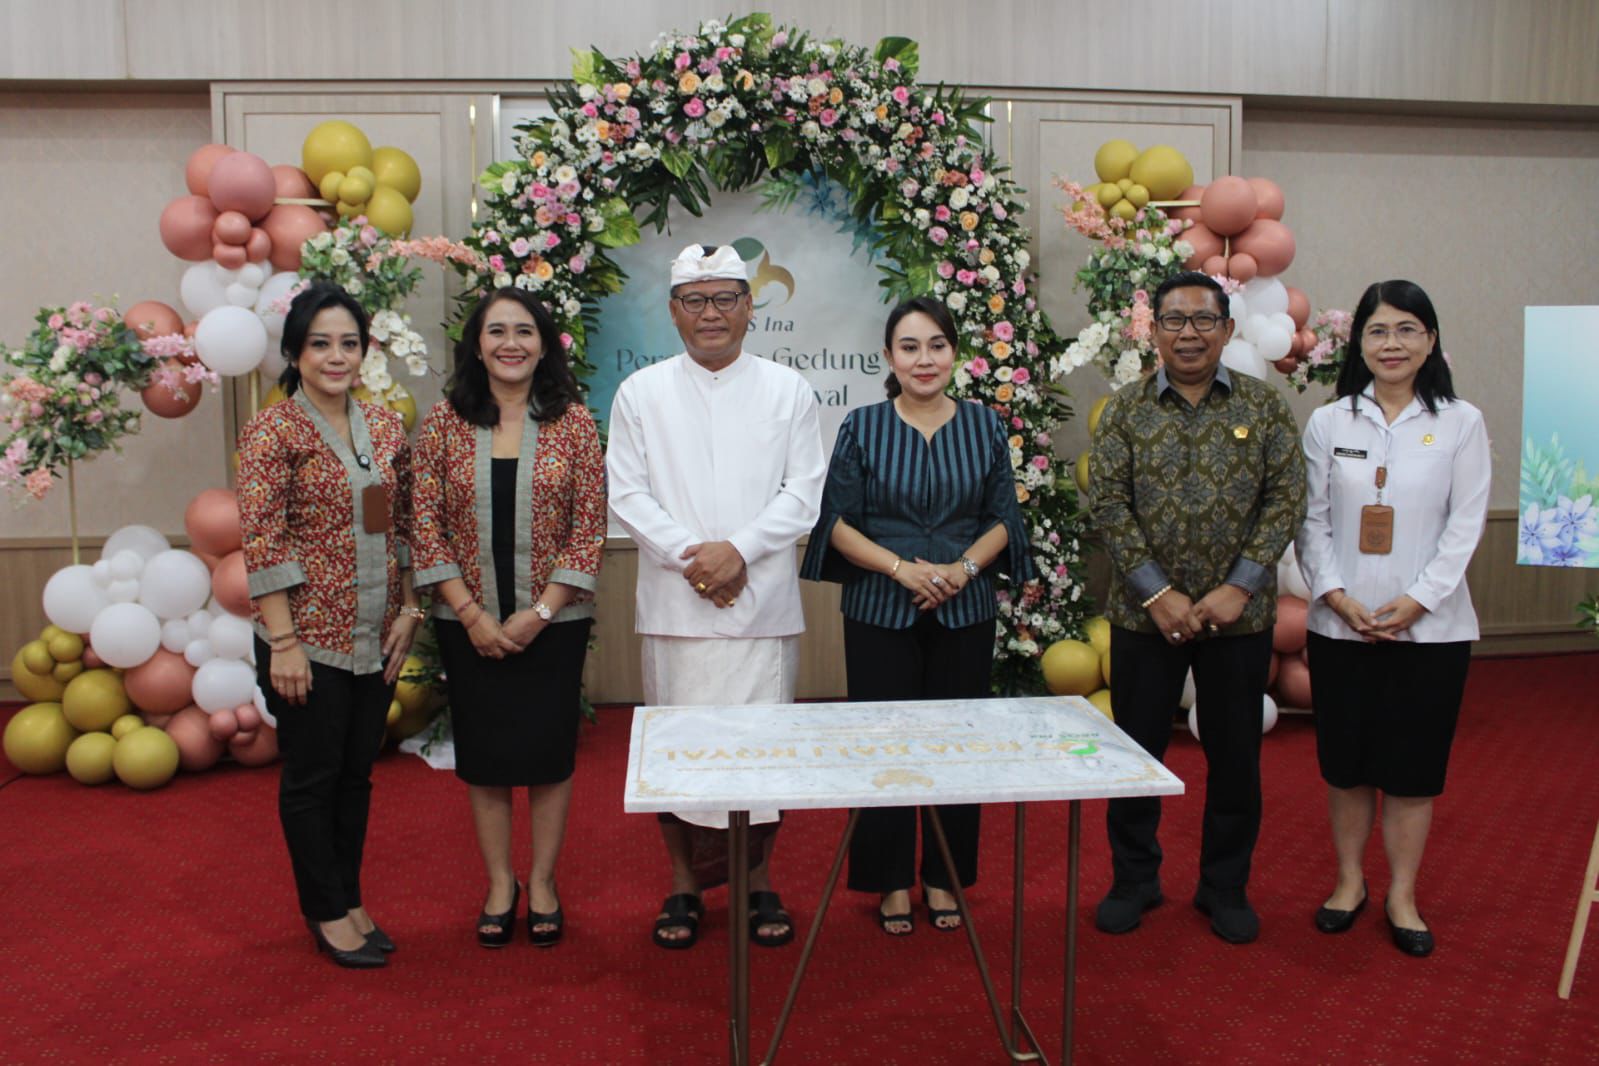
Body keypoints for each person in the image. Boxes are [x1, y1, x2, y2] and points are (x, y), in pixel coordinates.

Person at [607, 243, 825, 950]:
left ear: (749, 307)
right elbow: (628, 494)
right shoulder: (640, 393)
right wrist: (694, 558)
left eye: (725, 298)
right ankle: (682, 883)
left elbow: (803, 493)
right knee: (679, 754)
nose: (711, 314)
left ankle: (759, 882)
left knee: (762, 757)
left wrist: (739, 552)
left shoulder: (787, 389)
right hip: (676, 608)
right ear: (672, 311)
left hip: (760, 605)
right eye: (695, 300)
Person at [801, 296, 1036, 936]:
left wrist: (962, 570)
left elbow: (1003, 519)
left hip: (967, 607)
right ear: (888, 358)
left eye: (936, 344)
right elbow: (837, 524)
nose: (923, 359)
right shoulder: (862, 426)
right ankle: (889, 882)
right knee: (884, 745)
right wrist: (901, 569)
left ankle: (944, 877)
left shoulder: (985, 425)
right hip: (881, 606)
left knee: (958, 748)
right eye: (909, 347)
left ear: (954, 353)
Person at [1088, 270, 1306, 945]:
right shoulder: (1123, 410)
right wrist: (1157, 593)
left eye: (1202, 320)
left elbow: (1285, 498)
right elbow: (1107, 505)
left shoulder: (1263, 409)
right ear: (1152, 331)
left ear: (1227, 330)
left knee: (1236, 756)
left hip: (1238, 618)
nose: (1188, 333)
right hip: (1140, 617)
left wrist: (1238, 586)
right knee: (1135, 753)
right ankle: (1134, 878)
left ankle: (1224, 886)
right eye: (1173, 320)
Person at [1295, 280, 1488, 958]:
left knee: (1410, 770)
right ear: (1359, 343)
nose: (1391, 344)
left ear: (1430, 340)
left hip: (1429, 632)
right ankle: (1348, 882)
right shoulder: (1329, 422)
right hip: (1341, 627)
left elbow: (1463, 526)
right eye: (1377, 331)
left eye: (1407, 330)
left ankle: (1401, 893)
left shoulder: (1461, 421)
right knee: (1345, 766)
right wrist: (1336, 594)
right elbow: (1310, 523)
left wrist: (1417, 601)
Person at [410, 287, 605, 949]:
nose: (511, 343)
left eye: (524, 330)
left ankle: (543, 881)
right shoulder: (444, 420)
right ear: (476, 344)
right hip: (468, 623)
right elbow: (423, 523)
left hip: (555, 623)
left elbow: (590, 527)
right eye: (496, 331)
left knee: (548, 756)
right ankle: (500, 882)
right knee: (486, 757)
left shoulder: (572, 421)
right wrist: (469, 614)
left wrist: (541, 613)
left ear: (544, 344)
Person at [238, 282, 422, 969]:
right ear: (294, 352)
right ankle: (324, 909)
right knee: (313, 779)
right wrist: (283, 642)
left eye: (349, 343)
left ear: (365, 350)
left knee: (355, 778)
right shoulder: (271, 430)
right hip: (304, 643)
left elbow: (399, 524)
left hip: (373, 637)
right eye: (320, 344)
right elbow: (265, 539)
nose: (336, 356)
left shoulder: (383, 426)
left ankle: (348, 897)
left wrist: (408, 609)